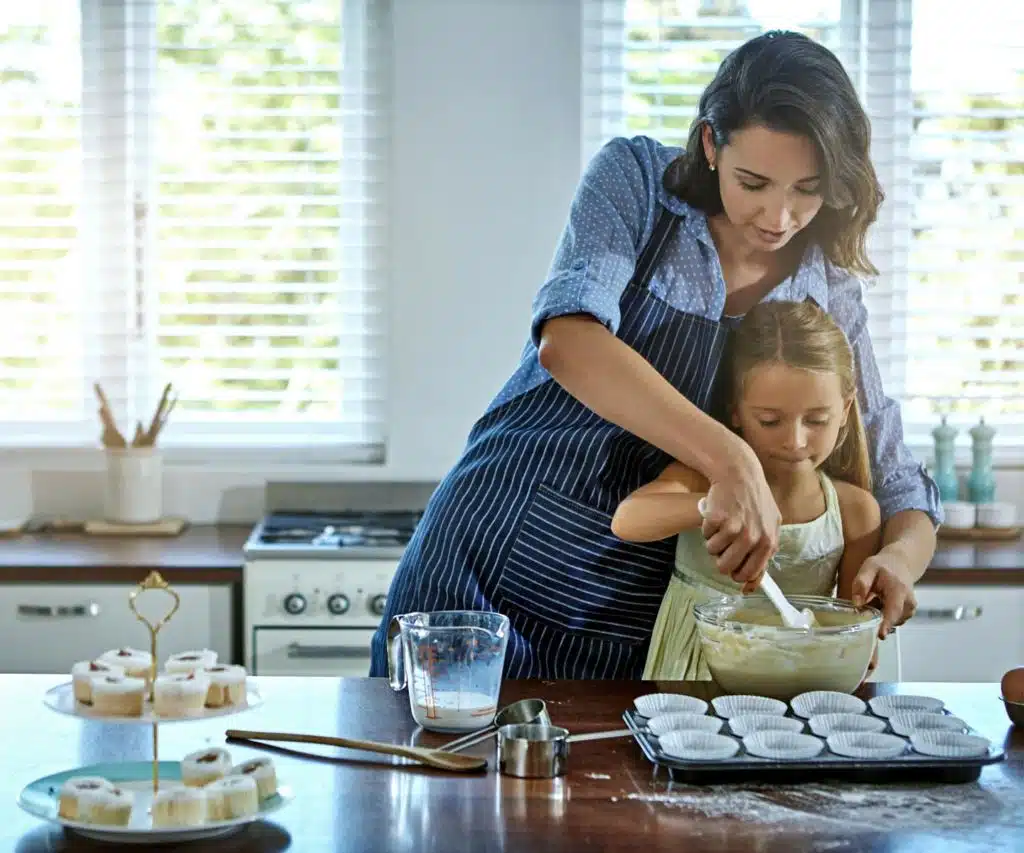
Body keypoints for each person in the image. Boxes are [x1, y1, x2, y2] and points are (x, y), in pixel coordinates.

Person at [369, 30, 941, 680]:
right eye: (753, 182)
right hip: (490, 558)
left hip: (638, 617)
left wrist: (899, 561)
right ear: (709, 145)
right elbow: (568, 340)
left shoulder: (826, 286)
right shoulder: (639, 184)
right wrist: (732, 459)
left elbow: (895, 473)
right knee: (435, 774)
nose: (779, 216)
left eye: (806, 189)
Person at [612, 299, 883, 680]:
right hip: (692, 671)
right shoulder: (706, 477)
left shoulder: (856, 510)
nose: (795, 440)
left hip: (797, 678)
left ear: (845, 409)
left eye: (817, 419)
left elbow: (848, 625)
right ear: (735, 409)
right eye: (770, 421)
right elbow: (628, 520)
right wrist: (714, 506)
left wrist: (858, 644)